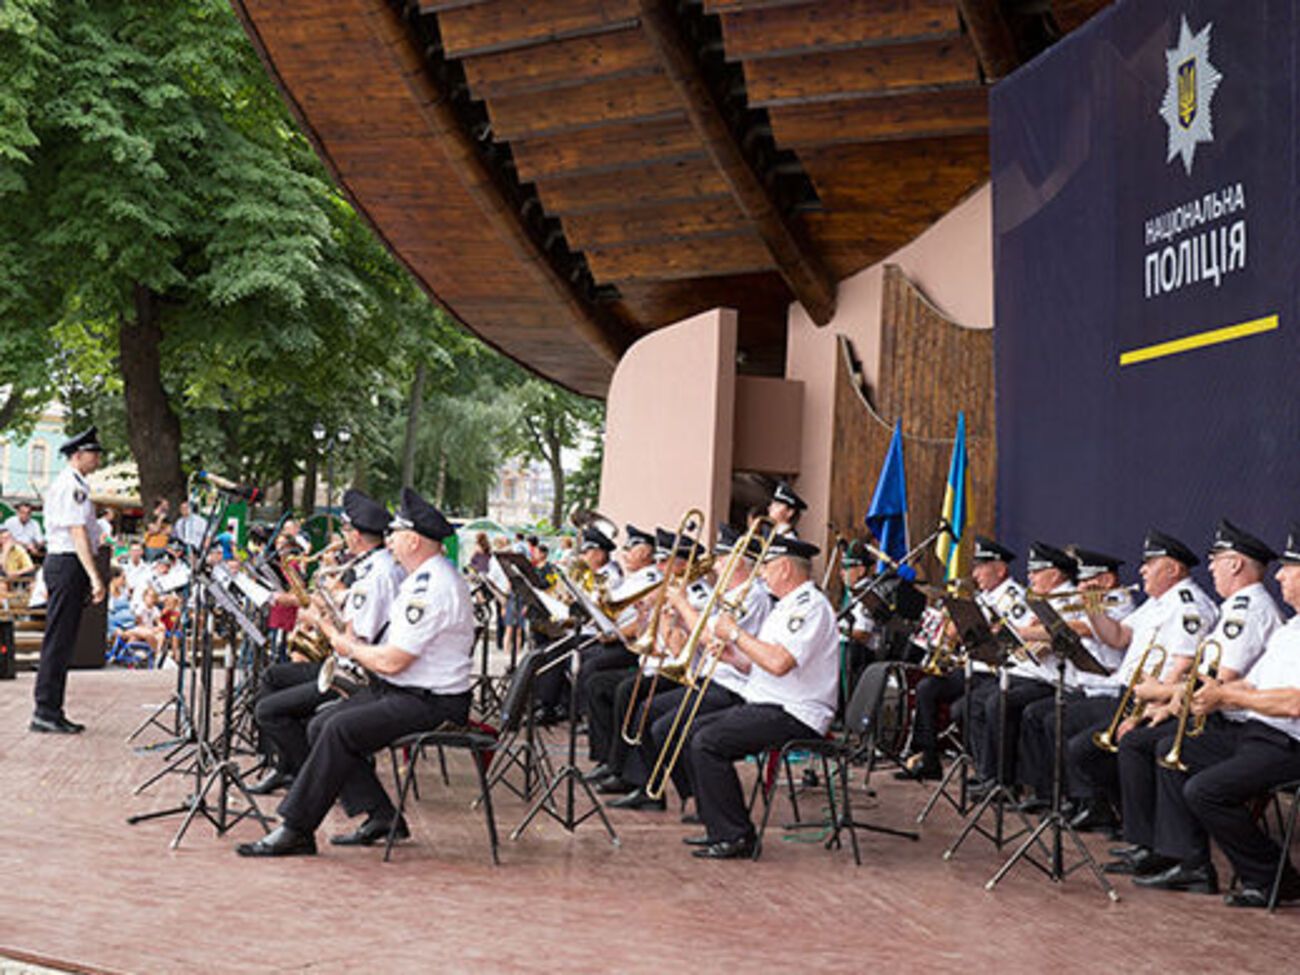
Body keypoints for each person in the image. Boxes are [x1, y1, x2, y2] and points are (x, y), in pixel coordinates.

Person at [237, 487, 473, 857]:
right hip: (405, 690)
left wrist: (348, 647)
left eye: (395, 534)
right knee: (321, 725)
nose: (389, 541)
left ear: (413, 540)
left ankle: (297, 828)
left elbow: (394, 661)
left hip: (433, 701)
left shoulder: (432, 586)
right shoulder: (421, 577)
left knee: (336, 727)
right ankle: (382, 816)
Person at [1110, 519, 1282, 891]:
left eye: (1216, 560)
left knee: (1163, 748)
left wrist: (1164, 698)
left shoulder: (1247, 609)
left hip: (1237, 722)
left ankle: (1188, 860)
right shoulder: (1237, 606)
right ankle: (1159, 846)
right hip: (1224, 716)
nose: (1212, 569)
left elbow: (1220, 677)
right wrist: (1168, 707)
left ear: (1235, 564)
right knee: (1145, 741)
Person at [1163, 524, 1300, 907]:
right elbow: (1253, 688)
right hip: (1259, 733)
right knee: (1172, 754)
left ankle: (1274, 878)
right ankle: (1192, 864)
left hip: (1288, 743)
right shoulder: (1291, 629)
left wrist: (1226, 694)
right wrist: (1217, 698)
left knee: (1205, 791)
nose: (1280, 575)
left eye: (1291, 567)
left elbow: (1293, 704)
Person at [683, 534, 838, 859]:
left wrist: (737, 634)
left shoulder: (810, 606)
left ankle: (736, 835)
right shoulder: (784, 607)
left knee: (708, 741)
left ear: (784, 568)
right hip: (767, 702)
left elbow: (780, 663)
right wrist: (730, 654)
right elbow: (758, 664)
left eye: (766, 566)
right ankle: (717, 826)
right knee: (692, 730)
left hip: (797, 712)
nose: (761, 573)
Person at [248, 489, 403, 796]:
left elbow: (359, 634)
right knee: (273, 678)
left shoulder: (378, 574)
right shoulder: (373, 566)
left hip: (359, 670)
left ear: (356, 535)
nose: (342, 537)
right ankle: (288, 766)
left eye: (345, 530)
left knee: (268, 710)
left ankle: (312, 775)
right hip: (352, 661)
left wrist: (321, 622)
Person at [900, 534, 1020, 781]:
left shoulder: (1013, 596)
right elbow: (955, 635)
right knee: (926, 688)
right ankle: (929, 758)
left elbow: (1003, 638)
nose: (975, 575)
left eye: (980, 568)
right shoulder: (982, 597)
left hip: (994, 671)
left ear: (1000, 569)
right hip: (971, 667)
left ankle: (985, 769)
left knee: (963, 708)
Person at [30, 426, 105, 734]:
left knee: (63, 641)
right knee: (58, 641)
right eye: (94, 453)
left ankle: (52, 708)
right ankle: (45, 709)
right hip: (67, 563)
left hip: (67, 564)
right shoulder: (72, 485)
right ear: (78, 455)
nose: (98, 458)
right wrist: (94, 576)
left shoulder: (76, 483)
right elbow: (77, 532)